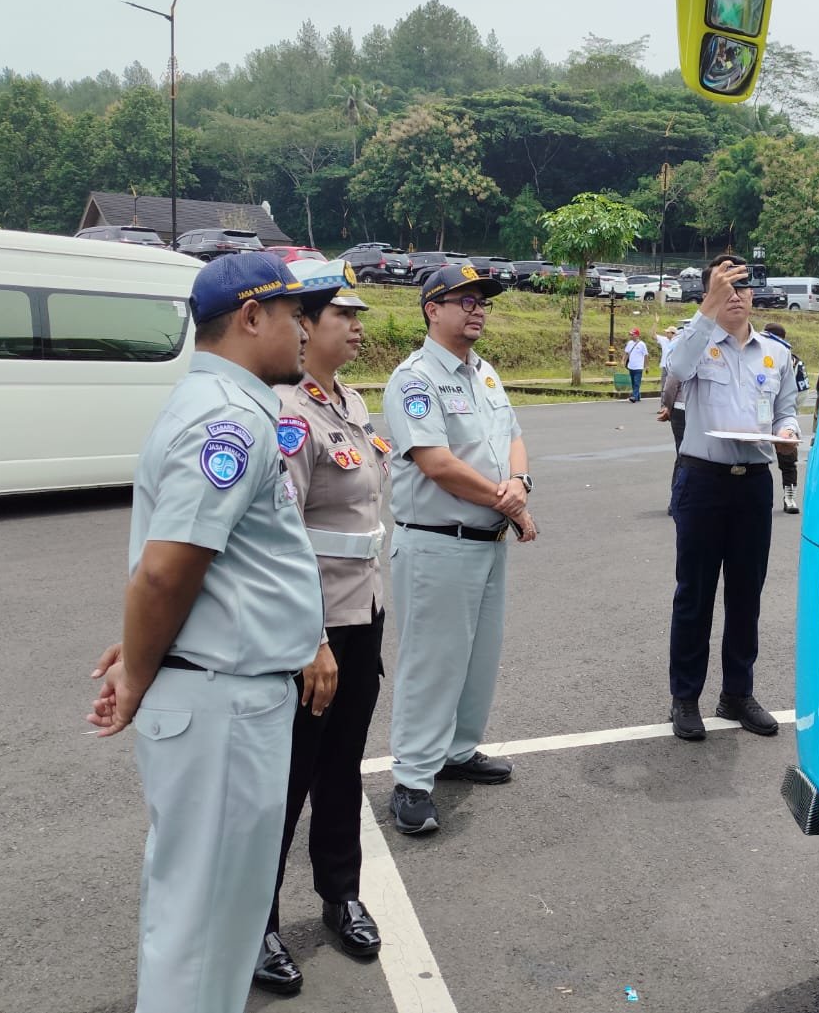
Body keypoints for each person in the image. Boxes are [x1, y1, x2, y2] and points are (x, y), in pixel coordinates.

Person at [85, 252, 338, 1013]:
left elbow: (199, 569)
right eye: (295, 314)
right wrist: (135, 672)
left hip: (224, 692)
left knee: (209, 919)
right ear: (252, 315)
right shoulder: (227, 418)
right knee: (205, 928)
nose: (304, 330)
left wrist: (140, 651)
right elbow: (166, 570)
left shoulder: (226, 406)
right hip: (223, 705)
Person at [253, 261, 388, 996]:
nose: (358, 325)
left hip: (361, 615)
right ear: (304, 325)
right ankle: (257, 921)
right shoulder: (287, 413)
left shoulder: (351, 402)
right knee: (288, 780)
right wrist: (311, 640)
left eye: (358, 313)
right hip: (315, 631)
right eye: (345, 314)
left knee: (342, 771)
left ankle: (341, 894)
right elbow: (282, 537)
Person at [381, 264, 539, 835]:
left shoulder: (484, 373)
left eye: (482, 302)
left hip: (486, 540)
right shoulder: (414, 379)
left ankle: (457, 752)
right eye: (464, 300)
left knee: (478, 659)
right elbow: (437, 463)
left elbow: (514, 437)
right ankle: (413, 780)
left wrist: (520, 484)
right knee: (433, 663)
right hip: (437, 543)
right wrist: (513, 505)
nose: (477, 309)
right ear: (432, 309)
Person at [663, 253, 801, 741]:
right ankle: (685, 697)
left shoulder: (775, 353)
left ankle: (737, 692)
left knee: (746, 594)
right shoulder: (695, 343)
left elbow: (787, 409)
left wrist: (786, 431)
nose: (737, 296)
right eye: (726, 288)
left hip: (752, 483)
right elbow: (676, 368)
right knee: (695, 593)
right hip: (703, 480)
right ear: (710, 293)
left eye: (744, 287)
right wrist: (708, 308)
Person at [761, 322, 810, 514]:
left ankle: (789, 496)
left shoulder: (792, 360)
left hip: (781, 419)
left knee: (788, 458)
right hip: (759, 417)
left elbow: (802, 391)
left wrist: (789, 414)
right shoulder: (753, 354)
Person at [623, 327, 649, 402]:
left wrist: (646, 366)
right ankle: (637, 396)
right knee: (633, 382)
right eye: (630, 334)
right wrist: (623, 360)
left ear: (637, 335)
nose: (631, 336)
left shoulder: (642, 344)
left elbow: (646, 355)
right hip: (631, 366)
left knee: (637, 382)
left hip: (638, 367)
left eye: (632, 334)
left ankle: (634, 396)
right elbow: (626, 353)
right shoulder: (629, 343)